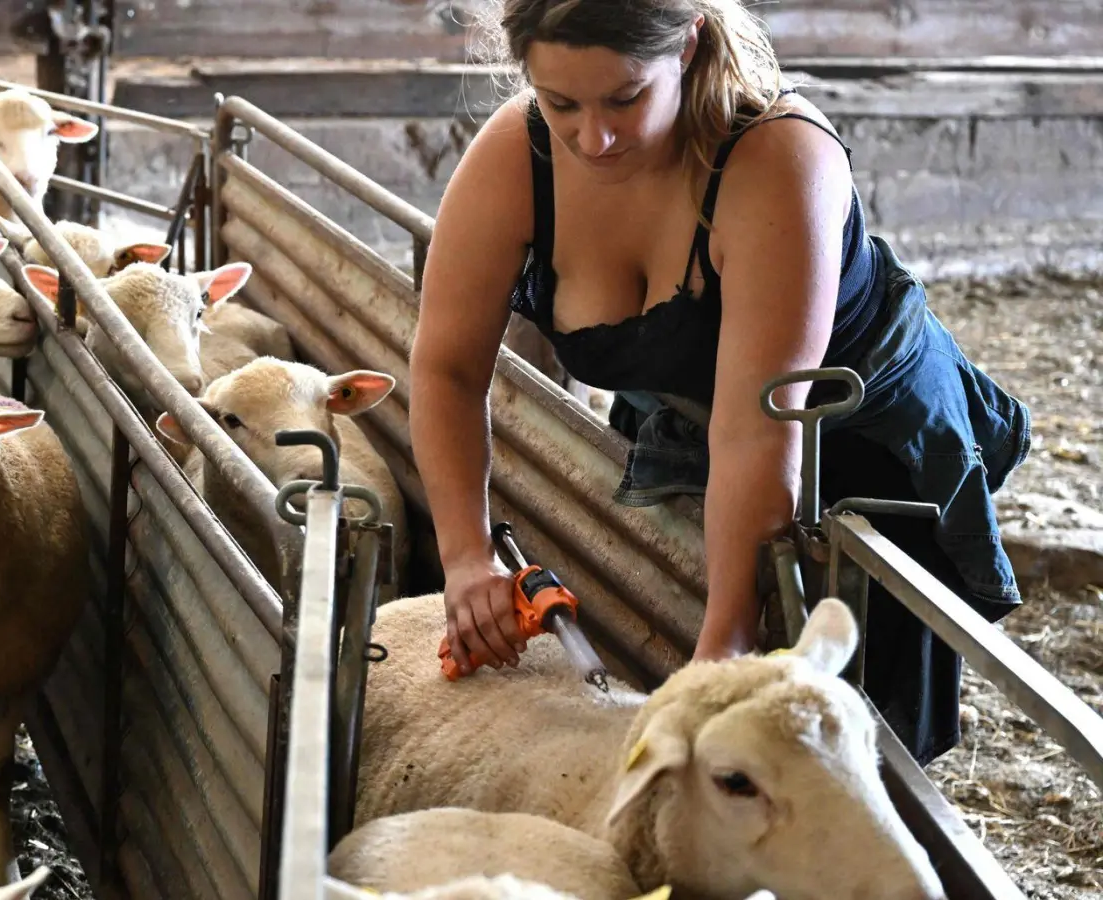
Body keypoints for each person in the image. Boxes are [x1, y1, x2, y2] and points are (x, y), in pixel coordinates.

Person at [408, 0, 1031, 765]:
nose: (592, 137)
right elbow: (447, 366)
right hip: (692, 414)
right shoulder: (519, 154)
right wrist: (467, 556)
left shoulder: (776, 160)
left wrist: (724, 646)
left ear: (689, 44)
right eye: (560, 101)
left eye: (626, 98)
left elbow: (757, 428)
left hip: (854, 436)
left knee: (848, 733)